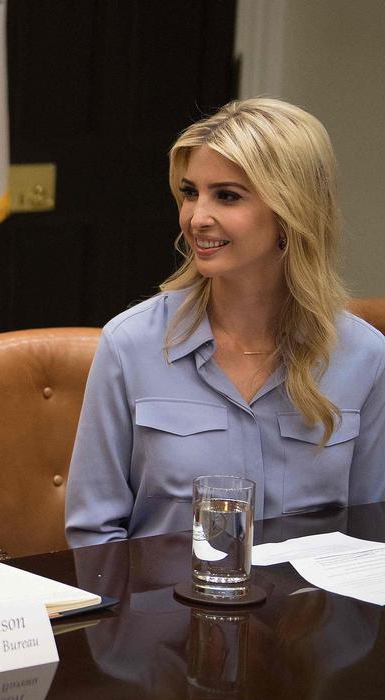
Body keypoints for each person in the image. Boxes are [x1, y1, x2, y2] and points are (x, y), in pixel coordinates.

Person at [65, 99, 385, 547]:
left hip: (310, 615)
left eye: (227, 196)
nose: (197, 218)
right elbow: (94, 534)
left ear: (290, 212)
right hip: (167, 612)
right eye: (190, 192)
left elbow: (371, 533)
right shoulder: (130, 344)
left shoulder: (364, 356)